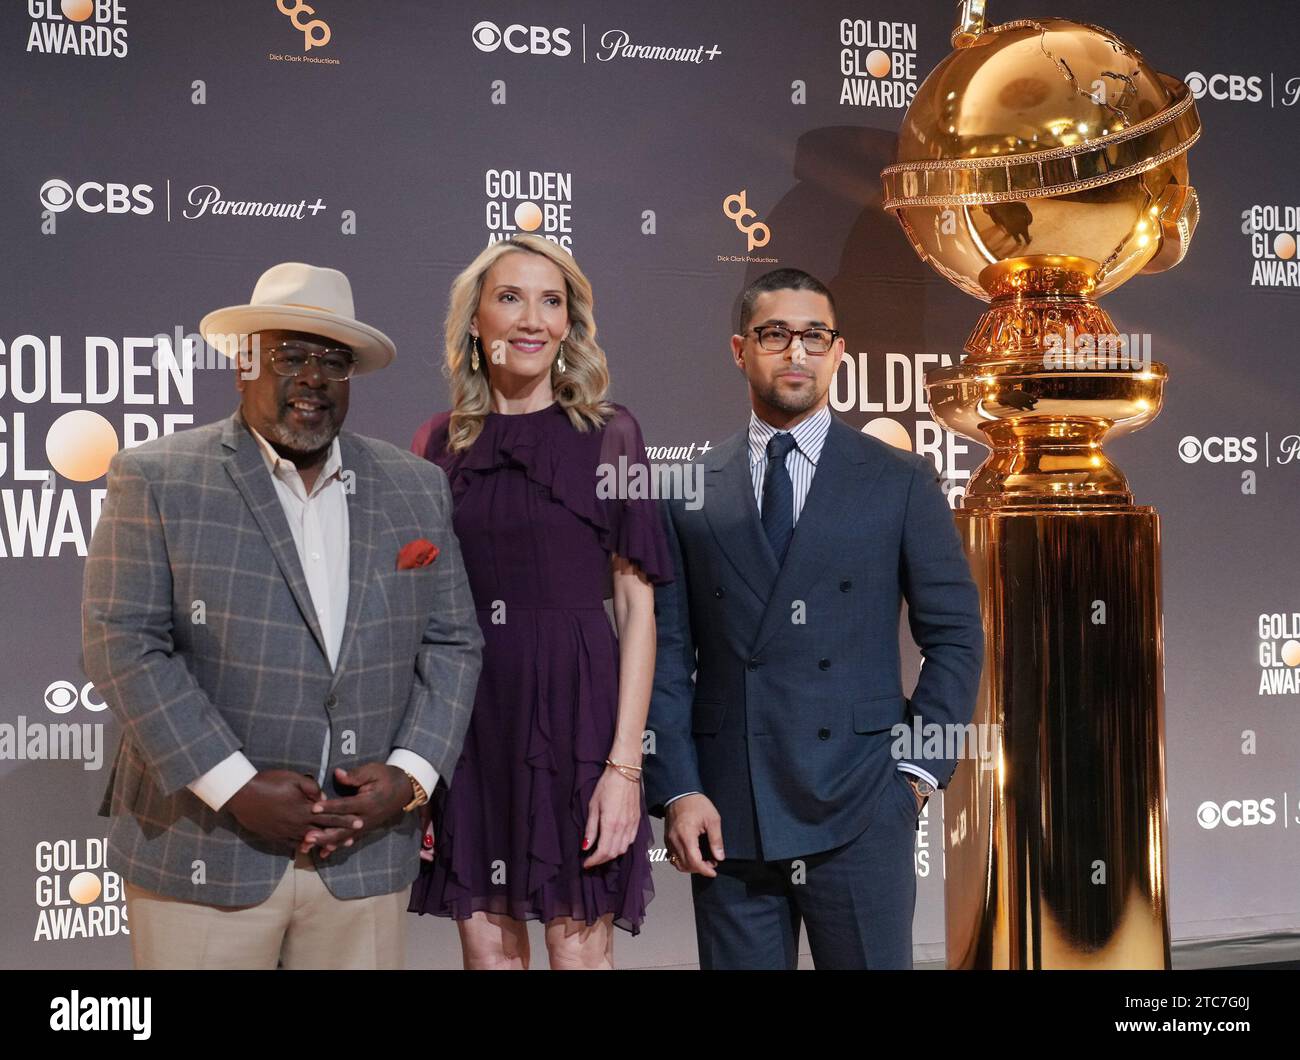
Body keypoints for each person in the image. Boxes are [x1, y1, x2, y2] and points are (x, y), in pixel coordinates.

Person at [82, 262, 483, 969]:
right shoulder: (158, 476)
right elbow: (123, 642)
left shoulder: (416, 487)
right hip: (205, 853)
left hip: (363, 861)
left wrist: (410, 775)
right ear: (244, 365)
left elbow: (453, 643)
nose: (313, 377)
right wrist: (234, 785)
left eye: (333, 361)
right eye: (290, 355)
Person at [645, 267, 983, 969]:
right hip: (728, 812)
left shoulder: (900, 480)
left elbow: (955, 636)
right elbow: (667, 659)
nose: (795, 352)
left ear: (837, 351)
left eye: (813, 336)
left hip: (863, 805)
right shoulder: (687, 490)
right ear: (740, 350)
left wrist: (918, 773)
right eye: (775, 335)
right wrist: (678, 787)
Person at [408, 234, 672, 969]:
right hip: (471, 715)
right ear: (475, 321)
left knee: (578, 950)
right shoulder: (438, 443)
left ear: (569, 323)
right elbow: (423, 608)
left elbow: (637, 606)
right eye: (511, 297)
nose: (532, 319)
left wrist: (624, 769)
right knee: (488, 951)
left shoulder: (612, 434)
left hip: (577, 710)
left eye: (551, 300)